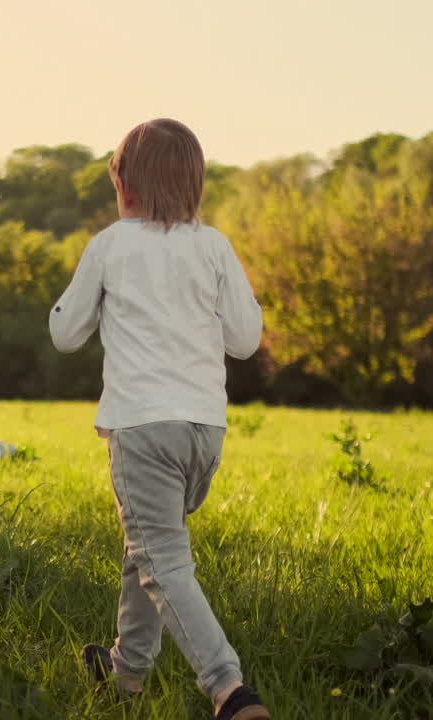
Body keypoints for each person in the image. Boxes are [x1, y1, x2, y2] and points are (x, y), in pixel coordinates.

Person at [49, 119, 269, 720]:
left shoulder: (110, 245)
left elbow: (66, 335)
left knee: (163, 559)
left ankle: (230, 690)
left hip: (143, 431)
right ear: (194, 184)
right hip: (205, 432)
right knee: (145, 546)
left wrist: (79, 300)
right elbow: (246, 341)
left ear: (124, 185)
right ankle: (128, 670)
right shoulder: (215, 245)